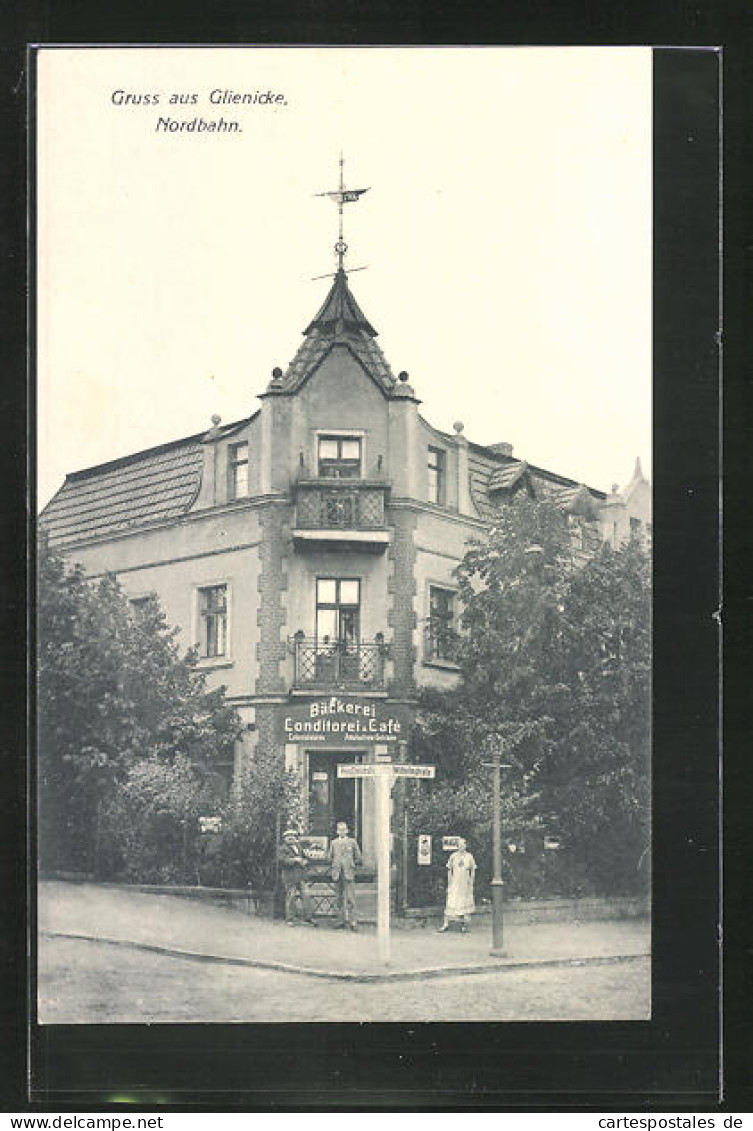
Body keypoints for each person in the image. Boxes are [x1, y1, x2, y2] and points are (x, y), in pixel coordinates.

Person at [328, 820, 362, 931]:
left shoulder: (352, 842)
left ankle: (353, 921)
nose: (342, 831)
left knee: (351, 898)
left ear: (347, 831)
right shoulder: (333, 843)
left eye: (344, 829)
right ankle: (340, 920)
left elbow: (359, 857)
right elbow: (329, 856)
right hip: (337, 873)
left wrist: (351, 864)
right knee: (338, 898)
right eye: (340, 830)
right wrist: (335, 864)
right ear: (337, 831)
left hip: (349, 873)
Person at [438, 837, 476, 933]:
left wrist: (471, 883)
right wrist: (449, 883)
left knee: (464, 904)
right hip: (455, 883)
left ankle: (464, 926)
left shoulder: (469, 856)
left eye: (463, 845)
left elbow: (473, 870)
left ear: (465, 845)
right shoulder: (453, 856)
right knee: (451, 902)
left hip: (464, 884)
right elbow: (449, 870)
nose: (461, 847)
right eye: (459, 845)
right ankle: (445, 924)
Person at [279, 828, 317, 926]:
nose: (291, 838)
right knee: (291, 897)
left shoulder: (299, 847)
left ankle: (308, 917)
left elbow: (305, 858)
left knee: (307, 896)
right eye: (288, 837)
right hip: (290, 877)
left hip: (301, 876)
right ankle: (290, 919)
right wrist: (295, 860)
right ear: (285, 839)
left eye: (292, 836)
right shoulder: (282, 849)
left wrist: (305, 861)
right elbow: (282, 861)